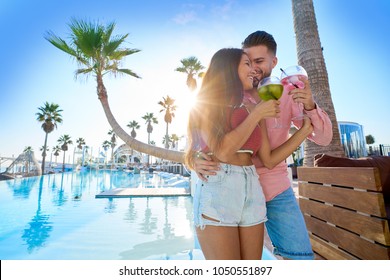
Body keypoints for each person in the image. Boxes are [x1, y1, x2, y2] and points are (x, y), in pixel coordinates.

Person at [194, 31, 333, 260]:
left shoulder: (286, 94)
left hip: (272, 187)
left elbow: (322, 139)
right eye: (247, 61)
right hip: (227, 184)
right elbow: (204, 142)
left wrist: (309, 107)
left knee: (300, 257)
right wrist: (192, 159)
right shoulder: (224, 98)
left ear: (273, 62)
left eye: (258, 62)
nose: (254, 68)